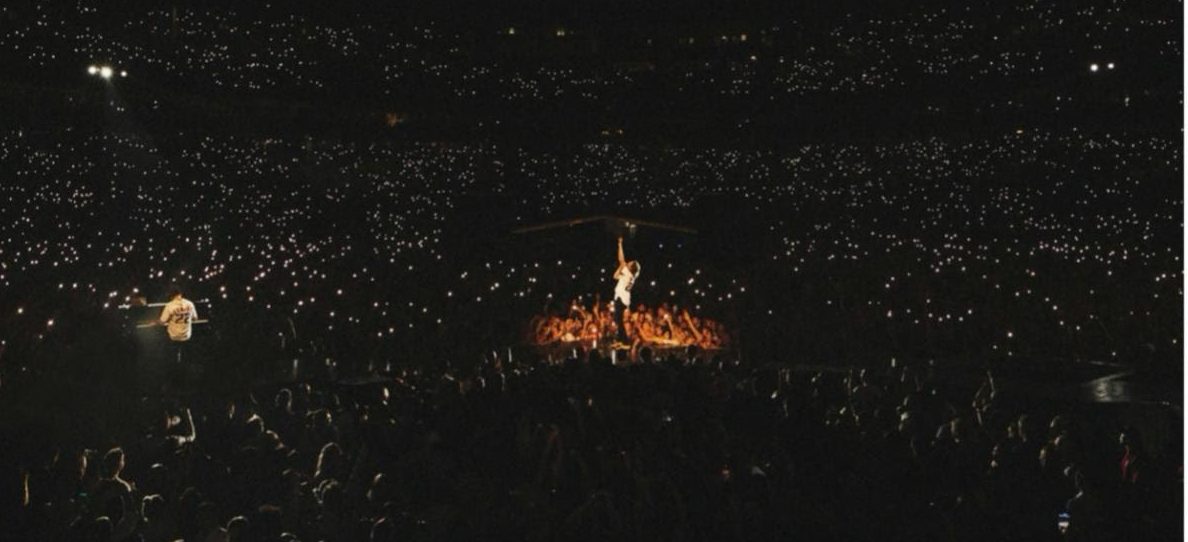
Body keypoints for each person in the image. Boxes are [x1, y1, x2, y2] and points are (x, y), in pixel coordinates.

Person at [611, 237, 640, 347]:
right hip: (623, 298)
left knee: (619, 320)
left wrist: (620, 244)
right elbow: (615, 276)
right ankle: (620, 340)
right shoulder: (632, 275)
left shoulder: (628, 273)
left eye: (630, 263)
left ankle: (624, 342)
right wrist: (621, 266)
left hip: (621, 298)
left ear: (631, 267)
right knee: (618, 319)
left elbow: (621, 259)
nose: (628, 262)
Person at [157, 287, 198, 364]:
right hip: (186, 336)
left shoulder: (169, 305)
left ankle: (172, 363)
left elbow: (162, 321)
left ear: (171, 296)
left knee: (165, 334)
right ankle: (185, 364)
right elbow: (195, 318)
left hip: (174, 337)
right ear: (180, 294)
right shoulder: (190, 303)